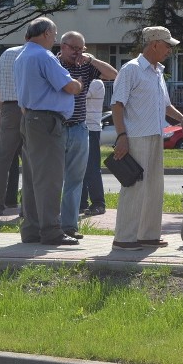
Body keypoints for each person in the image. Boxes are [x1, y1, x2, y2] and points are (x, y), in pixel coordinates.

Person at [110, 26, 183, 251]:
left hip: (156, 134)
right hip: (136, 136)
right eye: (167, 45)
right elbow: (117, 105)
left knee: (154, 187)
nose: (169, 50)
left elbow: (166, 105)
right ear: (155, 43)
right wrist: (121, 136)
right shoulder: (131, 69)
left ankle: (147, 235)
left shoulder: (157, 71)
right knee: (134, 186)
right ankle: (124, 238)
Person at [14, 17, 82, 245]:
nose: (54, 39)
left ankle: (32, 229)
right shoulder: (44, 56)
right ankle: (51, 231)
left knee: (33, 178)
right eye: (54, 34)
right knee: (51, 178)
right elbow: (69, 86)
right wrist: (79, 82)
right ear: (45, 33)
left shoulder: (22, 55)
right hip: (46, 122)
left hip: (29, 119)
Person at [57, 31, 117, 239]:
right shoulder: (53, 65)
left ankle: (69, 225)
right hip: (56, 127)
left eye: (81, 49)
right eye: (74, 48)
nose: (77, 53)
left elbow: (113, 75)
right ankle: (50, 223)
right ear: (63, 46)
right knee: (54, 178)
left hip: (80, 128)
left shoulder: (86, 65)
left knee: (76, 179)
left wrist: (91, 59)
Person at [0, 41, 26, 217]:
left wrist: (2, 112)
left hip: (9, 108)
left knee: (3, 162)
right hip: (31, 109)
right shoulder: (40, 55)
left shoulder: (8, 53)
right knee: (31, 161)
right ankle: (27, 208)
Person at [81, 79, 108, 216]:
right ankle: (81, 203)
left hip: (91, 129)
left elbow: (77, 93)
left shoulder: (96, 83)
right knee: (78, 168)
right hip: (79, 127)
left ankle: (98, 203)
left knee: (92, 168)